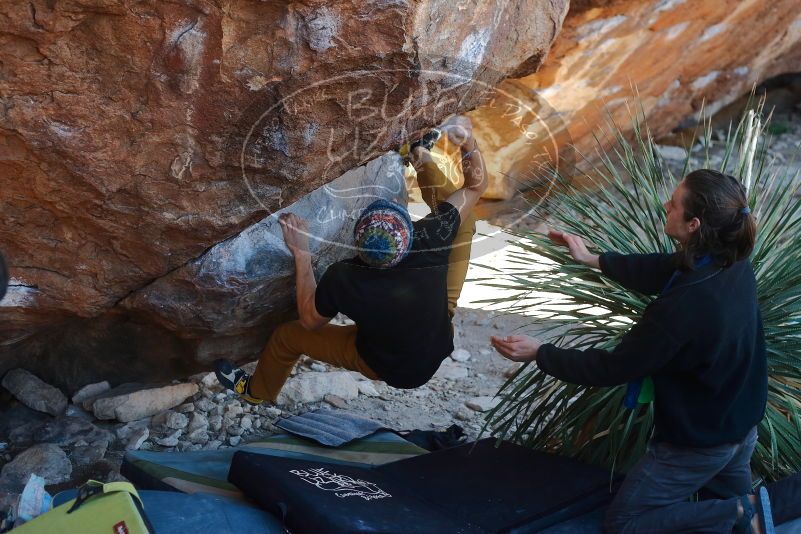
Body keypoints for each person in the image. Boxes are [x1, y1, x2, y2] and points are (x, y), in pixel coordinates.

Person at [491, 169, 773, 533]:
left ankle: (740, 511)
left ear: (694, 225)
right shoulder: (729, 259)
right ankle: (742, 513)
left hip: (700, 443)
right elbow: (666, 268)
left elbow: (614, 367)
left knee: (626, 523)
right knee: (739, 521)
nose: (666, 205)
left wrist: (539, 353)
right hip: (739, 423)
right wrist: (594, 259)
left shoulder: (683, 306)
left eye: (675, 204)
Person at [215, 115, 486, 405]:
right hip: (435, 337)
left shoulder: (347, 276)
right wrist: (467, 140)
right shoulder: (431, 237)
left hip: (383, 364)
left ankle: (259, 391)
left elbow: (309, 320)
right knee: (463, 221)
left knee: (287, 337)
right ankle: (420, 155)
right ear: (408, 233)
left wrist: (302, 253)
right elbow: (475, 186)